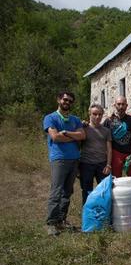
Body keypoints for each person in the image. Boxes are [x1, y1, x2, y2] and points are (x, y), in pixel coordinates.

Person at [43, 91, 85, 236]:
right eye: (65, 99)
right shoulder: (50, 118)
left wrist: (66, 133)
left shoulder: (75, 119)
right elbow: (55, 137)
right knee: (56, 191)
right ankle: (51, 223)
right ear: (59, 100)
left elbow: (83, 135)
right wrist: (74, 136)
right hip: (59, 159)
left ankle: (61, 220)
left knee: (68, 191)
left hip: (74, 159)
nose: (67, 102)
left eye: (70, 101)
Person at [79, 104, 112, 205]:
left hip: (102, 164)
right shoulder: (82, 129)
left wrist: (108, 164)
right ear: (89, 114)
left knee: (104, 191)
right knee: (86, 191)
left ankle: (104, 214)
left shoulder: (106, 131)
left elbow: (109, 149)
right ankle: (87, 215)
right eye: (94, 114)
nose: (97, 117)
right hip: (86, 164)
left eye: (100, 114)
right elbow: (77, 145)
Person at [103, 96, 131, 178]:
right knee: (116, 178)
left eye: (123, 104)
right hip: (116, 153)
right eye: (118, 104)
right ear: (114, 105)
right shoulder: (109, 120)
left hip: (129, 152)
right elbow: (103, 135)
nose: (121, 107)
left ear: (126, 105)